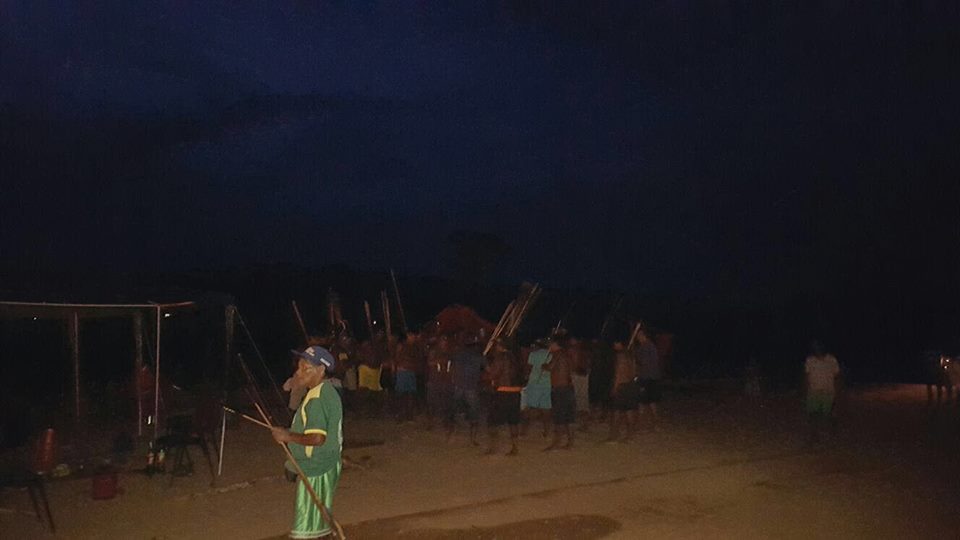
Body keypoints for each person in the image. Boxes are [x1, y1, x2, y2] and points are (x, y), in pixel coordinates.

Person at [271, 346, 343, 540]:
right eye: (299, 367)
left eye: (305, 368)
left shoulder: (317, 399)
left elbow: (318, 438)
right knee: (318, 522)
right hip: (323, 463)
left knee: (306, 527)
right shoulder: (323, 391)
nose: (298, 372)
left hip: (317, 467)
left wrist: (287, 437)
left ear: (320, 370)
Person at [483, 340, 523, 456]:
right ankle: (515, 448)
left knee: (493, 421)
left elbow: (494, 374)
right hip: (515, 392)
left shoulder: (500, 358)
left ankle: (493, 447)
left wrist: (487, 372)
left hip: (503, 391)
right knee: (513, 421)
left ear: (501, 347)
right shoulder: (516, 358)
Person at [447, 335, 486, 445]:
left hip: (458, 386)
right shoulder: (479, 356)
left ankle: (451, 435)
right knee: (474, 413)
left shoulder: (458, 354)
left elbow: (452, 368)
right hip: (471, 387)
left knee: (455, 411)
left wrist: (454, 380)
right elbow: (487, 369)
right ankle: (473, 439)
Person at [804, 340, 840, 445]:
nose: (817, 349)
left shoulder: (831, 360)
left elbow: (837, 376)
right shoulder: (810, 360)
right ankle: (814, 436)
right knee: (812, 414)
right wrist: (806, 390)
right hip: (814, 390)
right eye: (815, 347)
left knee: (826, 414)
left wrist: (837, 392)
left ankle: (832, 430)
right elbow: (806, 376)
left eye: (818, 346)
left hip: (828, 391)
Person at [542, 339, 575, 450]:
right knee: (568, 417)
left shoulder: (557, 354)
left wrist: (544, 365)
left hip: (560, 389)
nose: (549, 347)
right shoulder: (566, 355)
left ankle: (556, 442)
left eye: (551, 344)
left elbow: (551, 367)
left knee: (559, 416)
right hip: (568, 388)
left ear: (556, 344)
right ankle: (570, 442)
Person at [606, 341, 637, 443]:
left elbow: (619, 372)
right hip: (630, 385)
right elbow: (634, 372)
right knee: (629, 411)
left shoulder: (620, 356)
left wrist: (615, 387)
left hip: (622, 386)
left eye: (616, 343)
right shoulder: (630, 356)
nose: (614, 345)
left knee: (616, 412)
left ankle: (614, 436)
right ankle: (630, 436)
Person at [521, 340, 552, 437]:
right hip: (547, 384)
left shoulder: (533, 354)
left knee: (529, 407)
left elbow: (529, 368)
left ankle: (524, 431)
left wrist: (525, 377)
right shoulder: (551, 355)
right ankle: (546, 431)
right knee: (546, 408)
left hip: (534, 383)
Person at [634, 328, 663, 430]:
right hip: (651, 377)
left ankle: (646, 423)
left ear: (643, 335)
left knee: (644, 401)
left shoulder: (647, 347)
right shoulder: (647, 346)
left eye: (638, 335)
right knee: (649, 401)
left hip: (647, 377)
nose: (637, 337)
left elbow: (644, 363)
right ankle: (651, 423)